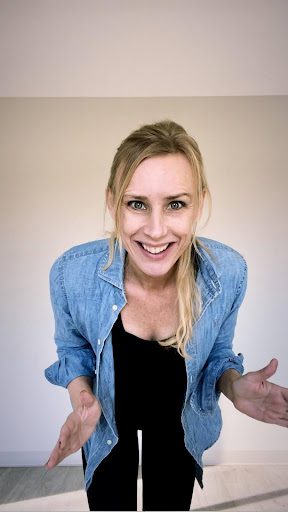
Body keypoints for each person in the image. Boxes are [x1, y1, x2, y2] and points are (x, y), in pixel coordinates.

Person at [45, 120, 288, 511]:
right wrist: (83, 399)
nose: (156, 231)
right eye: (136, 203)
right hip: (104, 423)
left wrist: (234, 385)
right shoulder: (71, 273)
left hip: (179, 423)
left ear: (200, 203)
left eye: (176, 204)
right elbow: (73, 348)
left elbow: (218, 355)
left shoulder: (227, 272)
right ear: (112, 203)